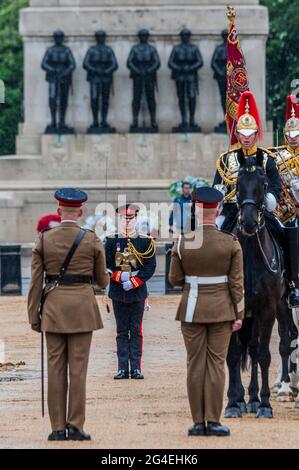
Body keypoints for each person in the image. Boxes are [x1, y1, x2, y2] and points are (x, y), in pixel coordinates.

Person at [27, 188, 109, 441]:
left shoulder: (44, 238)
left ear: (59, 211)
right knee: (78, 370)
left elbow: (35, 283)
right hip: (83, 309)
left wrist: (34, 316)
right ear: (81, 212)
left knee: (55, 369)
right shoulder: (92, 239)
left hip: (53, 309)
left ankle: (57, 428)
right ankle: (75, 426)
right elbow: (102, 280)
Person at [169, 186, 244, 437]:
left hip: (191, 308)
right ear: (219, 210)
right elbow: (237, 284)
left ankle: (197, 421)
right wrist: (239, 314)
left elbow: (174, 279)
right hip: (222, 310)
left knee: (195, 365)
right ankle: (213, 420)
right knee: (216, 364)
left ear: (194, 209)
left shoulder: (182, 242)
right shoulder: (230, 242)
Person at [213, 90, 281, 236]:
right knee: (214, 235)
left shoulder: (266, 158)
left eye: (250, 134)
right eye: (243, 134)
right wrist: (219, 193)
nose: (246, 138)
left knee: (283, 232)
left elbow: (276, 186)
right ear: (237, 134)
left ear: (256, 134)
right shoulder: (226, 159)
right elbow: (216, 185)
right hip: (231, 210)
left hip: (260, 209)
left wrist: (270, 197)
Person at [105, 204, 156, 379]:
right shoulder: (111, 240)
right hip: (119, 291)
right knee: (121, 330)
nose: (127, 222)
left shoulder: (145, 241)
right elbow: (107, 265)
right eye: (123, 219)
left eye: (130, 218)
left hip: (137, 291)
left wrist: (134, 281)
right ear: (118, 220)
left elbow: (150, 267)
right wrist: (118, 277)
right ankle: (121, 368)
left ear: (136, 219)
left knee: (136, 330)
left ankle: (136, 368)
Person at [269, 95, 299, 307]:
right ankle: (292, 284)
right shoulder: (275, 156)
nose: (293, 137)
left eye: (296, 133)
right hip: (286, 212)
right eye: (290, 134)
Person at [168, 28, 203, 130]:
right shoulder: (176, 49)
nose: (185, 37)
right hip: (180, 76)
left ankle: (191, 120)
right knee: (182, 98)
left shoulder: (194, 48)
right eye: (183, 35)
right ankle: (184, 120)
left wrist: (190, 68)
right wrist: (180, 68)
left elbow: (199, 61)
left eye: (187, 35)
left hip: (191, 76)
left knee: (192, 97)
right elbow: (170, 62)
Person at [41, 31, 76, 133]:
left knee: (63, 100)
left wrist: (65, 72)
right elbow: (44, 64)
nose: (59, 39)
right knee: (52, 98)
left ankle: (62, 121)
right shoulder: (50, 50)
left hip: (64, 78)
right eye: (57, 37)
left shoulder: (66, 50)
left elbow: (72, 64)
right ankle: (53, 121)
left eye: (60, 37)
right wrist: (53, 69)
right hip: (53, 77)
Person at [83, 30, 118, 131]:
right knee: (94, 99)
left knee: (105, 100)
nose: (100, 39)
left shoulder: (108, 50)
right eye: (99, 37)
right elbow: (86, 63)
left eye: (102, 37)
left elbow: (114, 64)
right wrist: (95, 70)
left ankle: (103, 121)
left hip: (106, 77)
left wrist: (107, 70)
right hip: (94, 77)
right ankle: (95, 121)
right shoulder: (91, 50)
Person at [127, 29, 160, 130]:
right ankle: (135, 121)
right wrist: (137, 70)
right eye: (141, 36)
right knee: (136, 98)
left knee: (151, 99)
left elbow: (157, 62)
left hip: (149, 76)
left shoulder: (151, 49)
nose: (143, 37)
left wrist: (149, 70)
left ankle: (153, 120)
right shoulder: (135, 49)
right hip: (138, 76)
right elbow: (129, 62)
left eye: (145, 35)